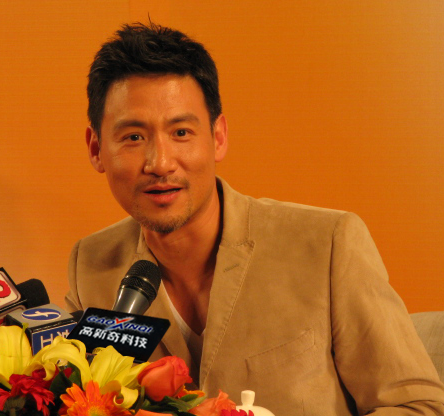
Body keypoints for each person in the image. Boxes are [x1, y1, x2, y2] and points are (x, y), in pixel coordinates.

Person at [65, 22, 444, 414]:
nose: (160, 163)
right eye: (133, 137)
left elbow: (419, 406)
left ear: (218, 137)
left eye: (181, 132)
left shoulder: (326, 244)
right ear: (96, 149)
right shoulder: (90, 266)